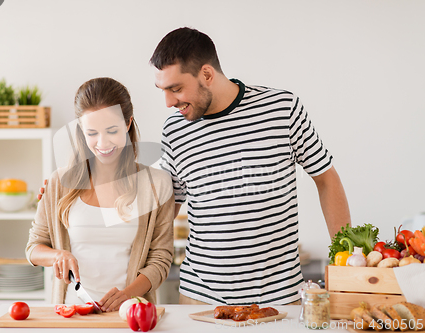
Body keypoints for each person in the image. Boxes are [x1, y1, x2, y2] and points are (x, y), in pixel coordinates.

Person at [150, 27, 351, 306]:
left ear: (207, 74)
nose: (169, 102)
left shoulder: (282, 109)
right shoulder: (175, 129)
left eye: (176, 88)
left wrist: (346, 258)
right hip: (199, 301)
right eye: (163, 90)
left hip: (279, 300)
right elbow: (167, 209)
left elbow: (327, 179)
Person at [26, 77, 174, 311]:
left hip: (131, 315)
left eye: (112, 130)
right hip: (72, 316)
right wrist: (57, 256)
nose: (102, 142)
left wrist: (126, 295)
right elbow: (34, 247)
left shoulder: (156, 184)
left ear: (128, 123)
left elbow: (161, 259)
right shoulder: (59, 183)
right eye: (92, 132)